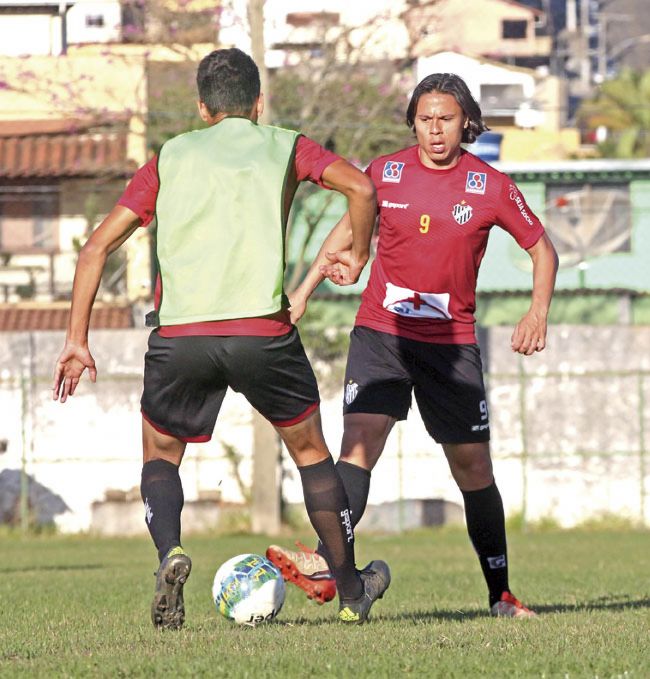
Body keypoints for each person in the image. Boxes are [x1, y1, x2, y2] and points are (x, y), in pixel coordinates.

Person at [52, 48, 390, 629]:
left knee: (161, 455)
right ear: (258, 104)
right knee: (311, 453)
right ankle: (353, 590)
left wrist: (78, 341)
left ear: (202, 107)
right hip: (262, 330)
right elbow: (361, 189)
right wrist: (357, 254)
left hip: (180, 334)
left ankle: (171, 553)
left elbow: (94, 248)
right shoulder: (285, 143)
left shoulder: (170, 156)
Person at [266, 72, 559, 618]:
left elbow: (543, 249)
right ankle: (336, 572)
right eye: (425, 119)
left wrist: (536, 311)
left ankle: (501, 595)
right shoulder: (385, 173)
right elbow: (347, 231)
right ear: (413, 123)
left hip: (449, 346)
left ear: (465, 121)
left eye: (446, 118)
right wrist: (304, 289)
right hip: (381, 333)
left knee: (473, 470)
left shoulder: (490, 185)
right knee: (358, 445)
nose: (435, 129)